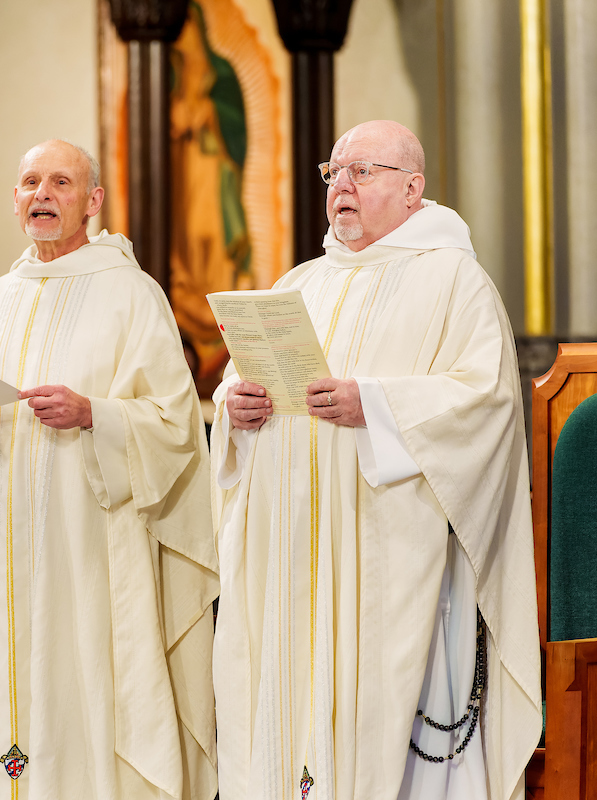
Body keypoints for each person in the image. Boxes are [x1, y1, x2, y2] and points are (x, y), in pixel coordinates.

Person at [211, 120, 541, 800]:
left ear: (413, 189)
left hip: (390, 558)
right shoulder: (299, 282)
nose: (342, 188)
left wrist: (378, 406)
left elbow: (486, 404)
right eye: (334, 174)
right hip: (296, 556)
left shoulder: (455, 281)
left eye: (363, 172)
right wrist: (235, 407)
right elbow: (250, 386)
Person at [0, 140, 219, 800]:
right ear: (16, 199)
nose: (42, 194)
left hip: (86, 544)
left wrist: (95, 415)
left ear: (93, 201)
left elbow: (175, 425)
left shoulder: (131, 296)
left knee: (75, 680)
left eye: (60, 182)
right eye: (30, 182)